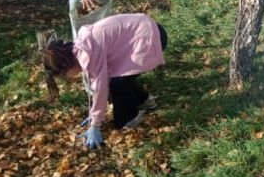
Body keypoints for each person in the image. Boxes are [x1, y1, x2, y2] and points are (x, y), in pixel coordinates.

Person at [41, 13, 168, 148]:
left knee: (118, 85)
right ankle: (144, 101)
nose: (69, 78)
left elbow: (100, 89)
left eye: (66, 75)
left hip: (151, 37)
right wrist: (94, 115)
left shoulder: (88, 55)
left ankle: (129, 118)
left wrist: (95, 124)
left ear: (67, 66)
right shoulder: (82, 45)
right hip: (146, 28)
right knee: (119, 79)